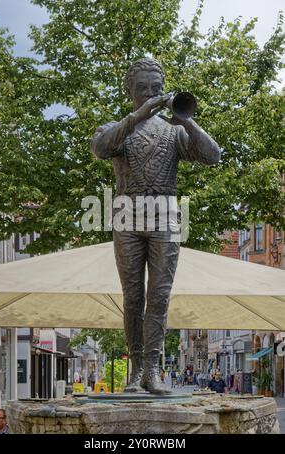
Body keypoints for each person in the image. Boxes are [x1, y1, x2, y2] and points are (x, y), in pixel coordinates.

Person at [91, 57, 220, 394]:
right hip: (127, 215)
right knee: (133, 297)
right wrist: (137, 117)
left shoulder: (175, 131)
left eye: (156, 89)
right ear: (129, 90)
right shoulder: (116, 128)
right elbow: (100, 148)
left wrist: (187, 121)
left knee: (160, 296)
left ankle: (153, 369)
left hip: (165, 215)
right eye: (143, 89)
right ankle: (135, 370)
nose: (150, 94)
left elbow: (213, 155)